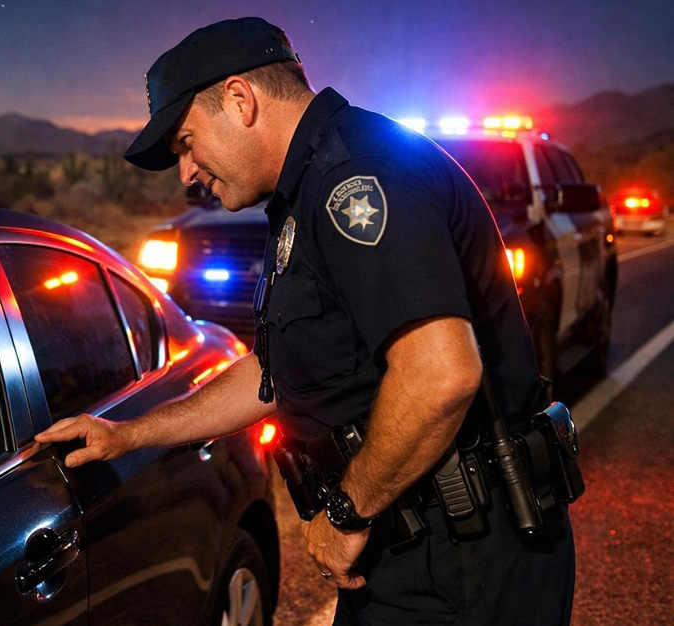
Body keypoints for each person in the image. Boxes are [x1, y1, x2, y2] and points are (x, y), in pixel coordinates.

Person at [36, 16, 575, 624]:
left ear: (240, 100)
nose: (186, 172)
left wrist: (348, 510)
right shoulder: (304, 189)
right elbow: (278, 372)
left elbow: (440, 374)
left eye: (186, 142)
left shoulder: (356, 177)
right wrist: (131, 434)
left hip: (463, 555)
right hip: (412, 541)